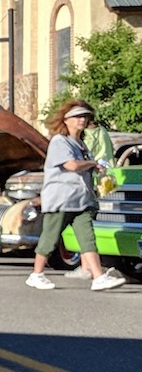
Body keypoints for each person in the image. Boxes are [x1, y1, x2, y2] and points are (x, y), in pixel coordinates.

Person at [25, 100, 126, 291]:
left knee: (88, 238)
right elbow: (71, 166)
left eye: (85, 116)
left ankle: (98, 277)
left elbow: (83, 167)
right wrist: (91, 163)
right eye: (78, 116)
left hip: (81, 199)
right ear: (66, 120)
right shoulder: (59, 141)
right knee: (50, 238)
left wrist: (97, 170)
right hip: (62, 198)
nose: (82, 120)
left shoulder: (80, 144)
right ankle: (36, 274)